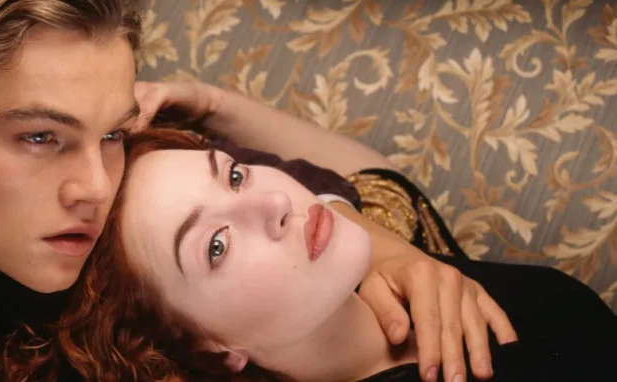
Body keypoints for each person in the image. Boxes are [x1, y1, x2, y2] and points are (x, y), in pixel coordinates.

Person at [0, 0, 513, 381]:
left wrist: (387, 253)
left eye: (113, 133)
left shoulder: (48, 226)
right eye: (40, 138)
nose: (97, 186)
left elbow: (286, 191)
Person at [95, 128, 617, 382]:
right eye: (217, 245)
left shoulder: (389, 265)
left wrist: (208, 100)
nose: (275, 203)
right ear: (210, 348)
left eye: (234, 175)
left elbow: (376, 177)